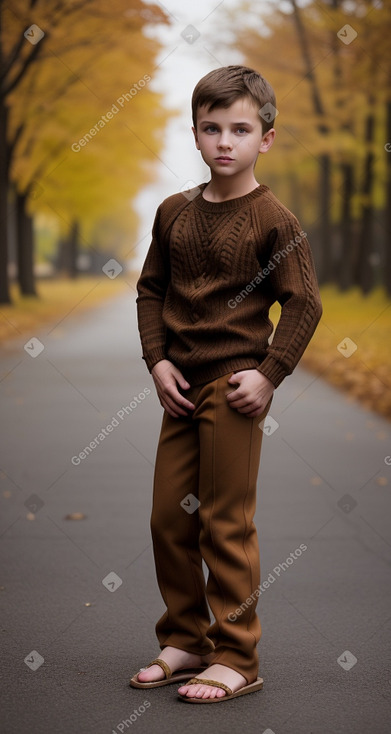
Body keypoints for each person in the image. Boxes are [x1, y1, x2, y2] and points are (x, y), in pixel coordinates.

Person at [130, 65, 322, 703]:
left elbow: (304, 306)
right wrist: (157, 361)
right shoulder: (173, 213)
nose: (225, 141)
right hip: (178, 386)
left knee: (225, 522)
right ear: (195, 133)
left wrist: (268, 376)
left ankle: (237, 655)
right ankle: (186, 639)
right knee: (168, 517)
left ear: (265, 137)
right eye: (211, 128)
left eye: (240, 129)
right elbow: (151, 290)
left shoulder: (276, 222)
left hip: (234, 389)